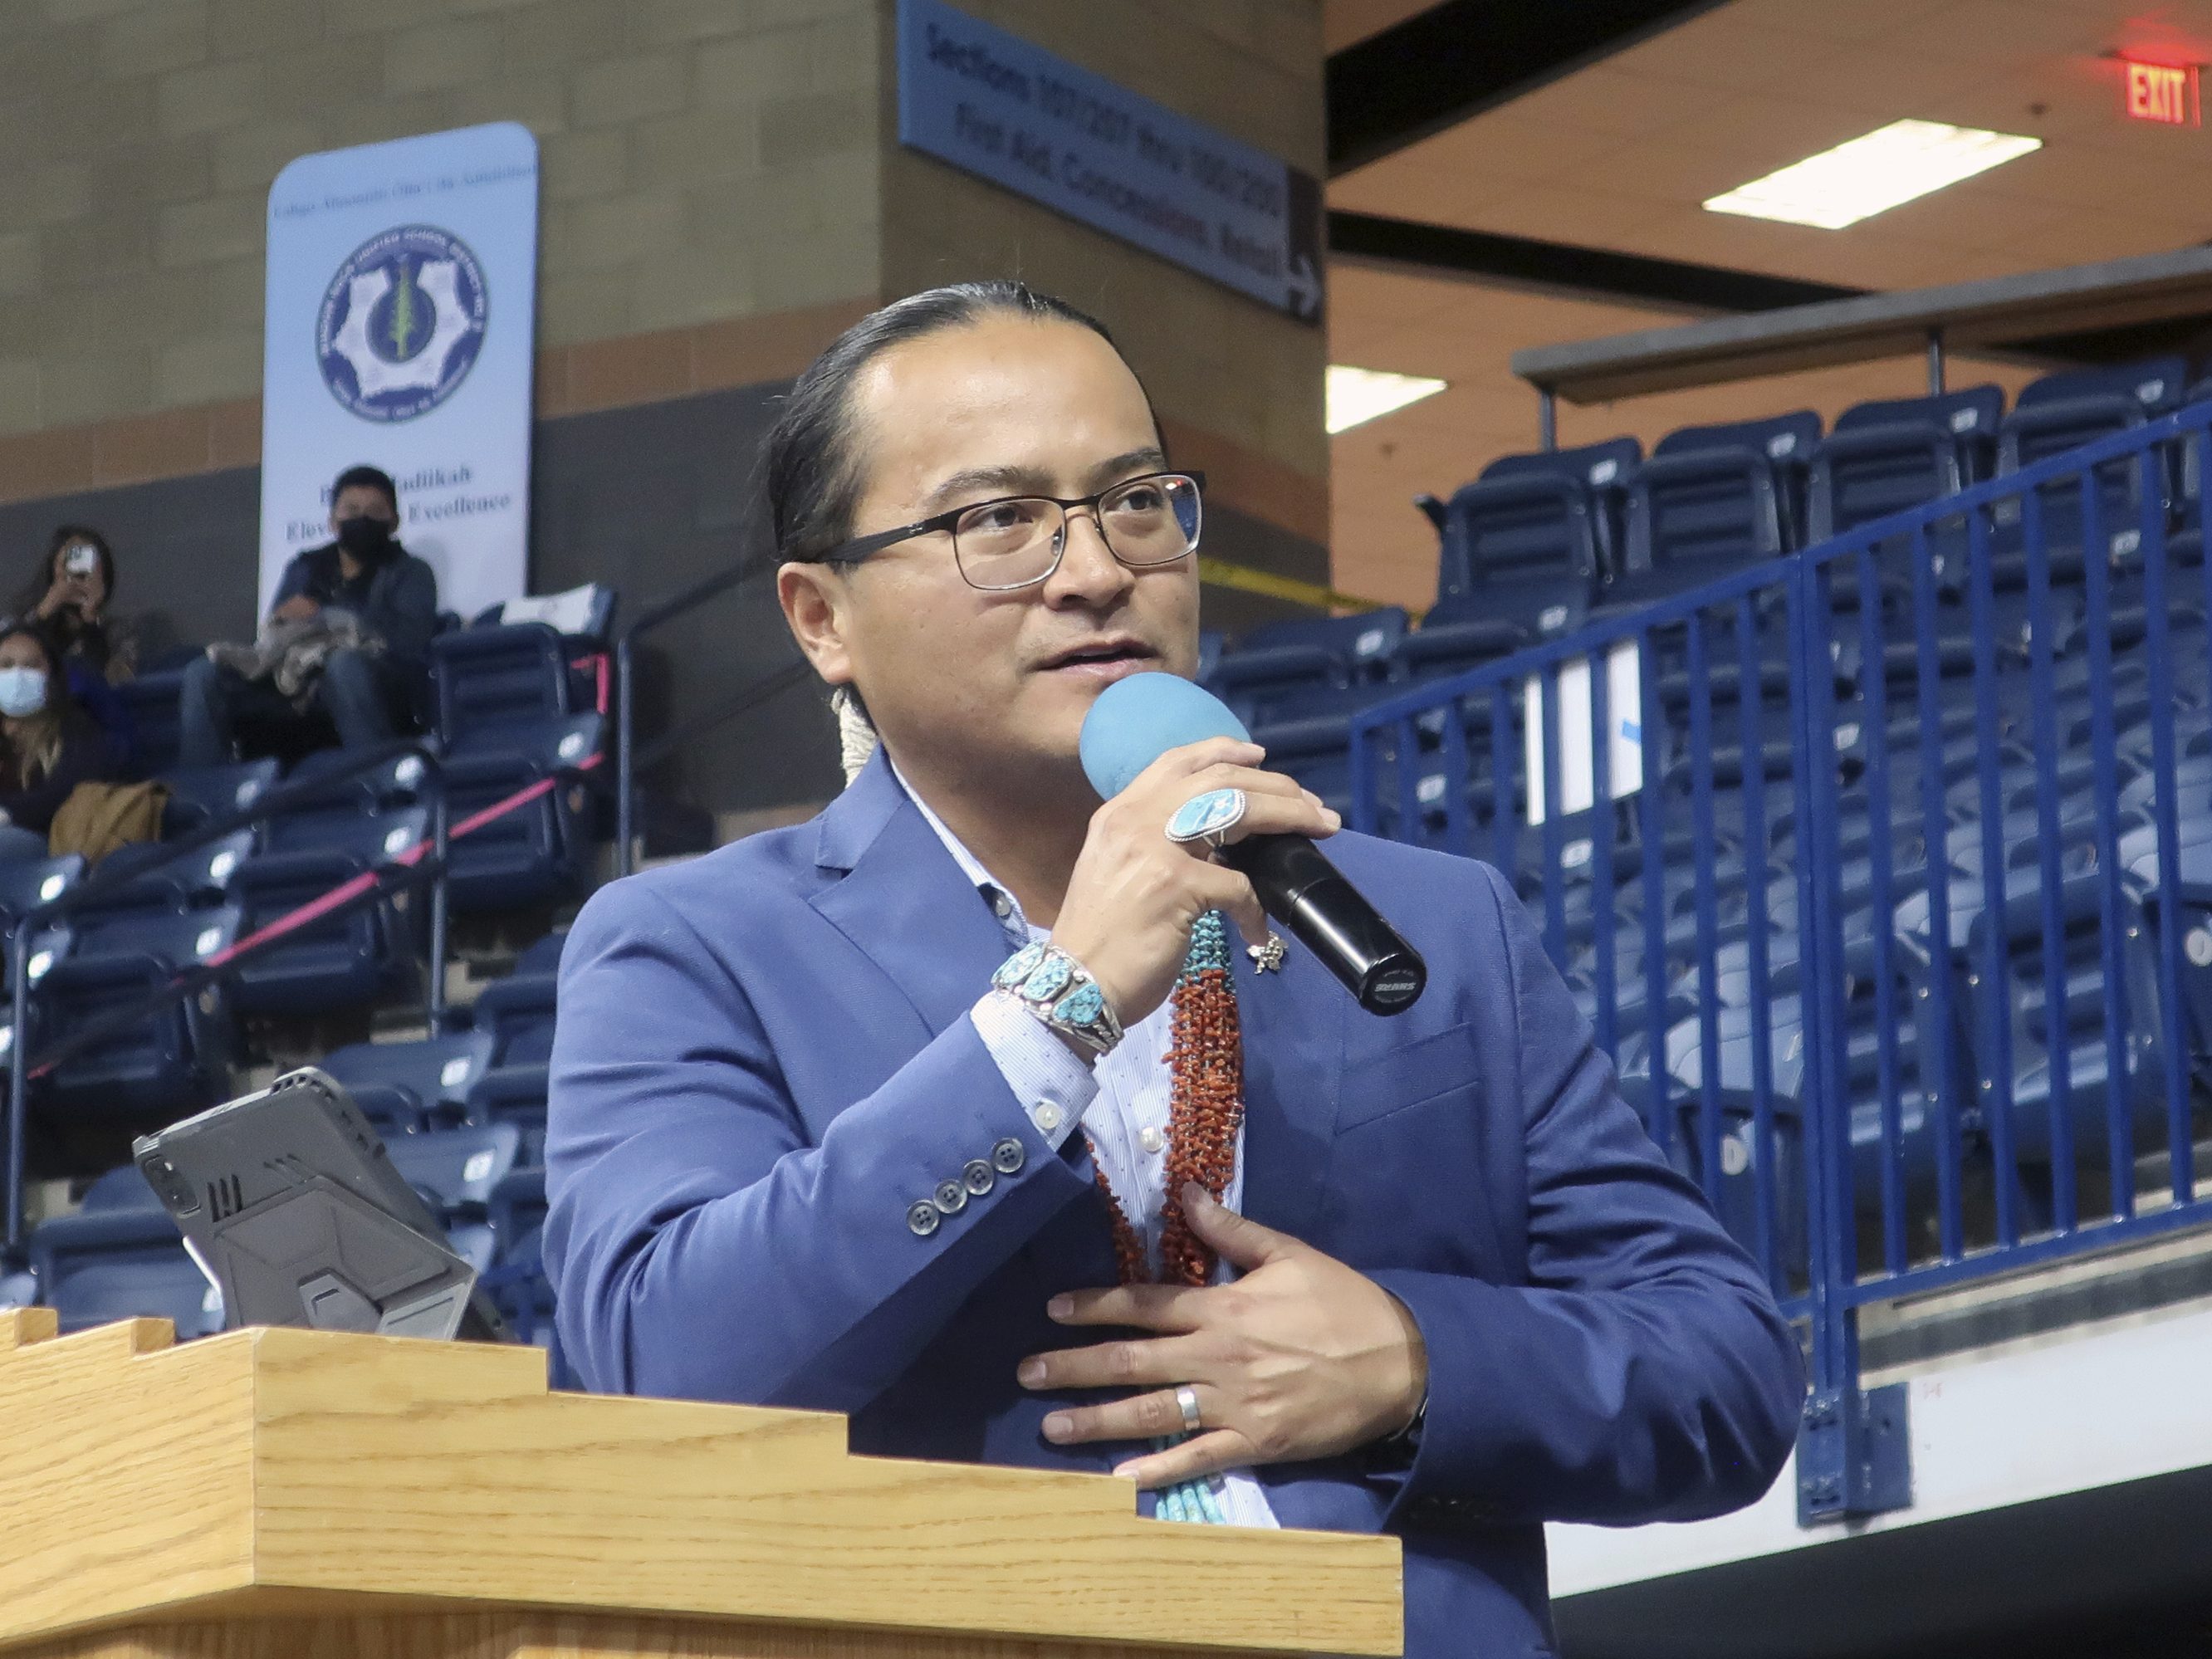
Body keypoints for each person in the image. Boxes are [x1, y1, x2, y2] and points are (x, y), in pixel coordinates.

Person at [543, 283, 1802, 1658]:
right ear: (819, 617)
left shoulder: (1431, 927)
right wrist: (1057, 1004)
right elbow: (669, 1371)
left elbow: (1721, 1371)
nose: (1093, 568)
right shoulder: (691, 945)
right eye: (996, 520)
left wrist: (1411, 1360)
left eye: (1133, 499)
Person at [176, 464, 437, 768]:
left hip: (374, 684)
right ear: (333, 522)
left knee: (343, 664)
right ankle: (207, 798)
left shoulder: (411, 571)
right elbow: (276, 637)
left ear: (394, 523)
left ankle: (377, 778)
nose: (362, 519)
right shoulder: (304, 568)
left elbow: (409, 639)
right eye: (351, 510)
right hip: (295, 681)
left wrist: (328, 619)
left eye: (375, 511)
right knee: (202, 673)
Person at [0, 623, 112, 861]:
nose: (18, 675)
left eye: (31, 665)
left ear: (51, 672)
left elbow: (68, 790)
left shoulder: (75, 727)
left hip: (46, 839)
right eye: (6, 665)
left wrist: (9, 813)